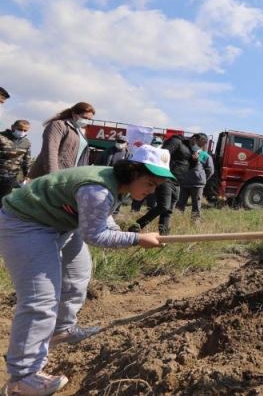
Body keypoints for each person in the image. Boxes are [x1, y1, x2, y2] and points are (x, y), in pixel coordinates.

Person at [0, 145, 170, 395]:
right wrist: (136, 239)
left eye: (155, 186)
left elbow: (103, 221)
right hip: (26, 224)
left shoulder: (118, 185)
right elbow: (95, 235)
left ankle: (61, 330)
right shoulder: (97, 189)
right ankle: (21, 377)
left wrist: (130, 234)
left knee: (78, 273)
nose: (150, 191)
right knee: (40, 299)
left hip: (58, 223)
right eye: (150, 183)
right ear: (133, 172)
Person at [130, 132, 194, 234]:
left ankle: (163, 233)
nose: (200, 145)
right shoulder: (176, 141)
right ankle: (136, 226)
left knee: (168, 209)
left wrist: (195, 160)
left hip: (177, 181)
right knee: (163, 206)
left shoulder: (190, 149)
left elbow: (190, 166)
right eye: (201, 142)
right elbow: (164, 155)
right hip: (166, 177)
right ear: (194, 138)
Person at [29, 102, 96, 179]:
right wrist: (53, 175)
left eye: (89, 119)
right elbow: (51, 151)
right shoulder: (59, 125)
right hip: (49, 176)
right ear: (74, 114)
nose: (86, 121)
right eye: (84, 118)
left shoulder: (79, 131)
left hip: (67, 175)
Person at [175, 133, 214, 222]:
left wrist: (202, 178)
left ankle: (195, 223)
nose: (193, 142)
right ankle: (176, 221)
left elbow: (210, 170)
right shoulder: (185, 153)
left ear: (202, 143)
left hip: (197, 185)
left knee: (196, 205)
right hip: (184, 183)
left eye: (196, 140)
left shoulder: (205, 156)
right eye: (193, 140)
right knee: (180, 204)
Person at [0, 120, 32, 200]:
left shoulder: (26, 143)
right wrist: (5, 153)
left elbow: (26, 161)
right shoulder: (1, 137)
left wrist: (26, 175)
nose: (22, 132)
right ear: (12, 127)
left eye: (25, 130)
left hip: (10, 177)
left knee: (3, 201)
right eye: (20, 129)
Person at [131, 137, 163, 212]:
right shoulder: (145, 152)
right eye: (156, 143)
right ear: (151, 144)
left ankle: (148, 221)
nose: (157, 145)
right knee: (136, 203)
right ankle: (132, 218)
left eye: (159, 143)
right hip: (143, 181)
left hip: (154, 184)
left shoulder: (163, 155)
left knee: (152, 205)